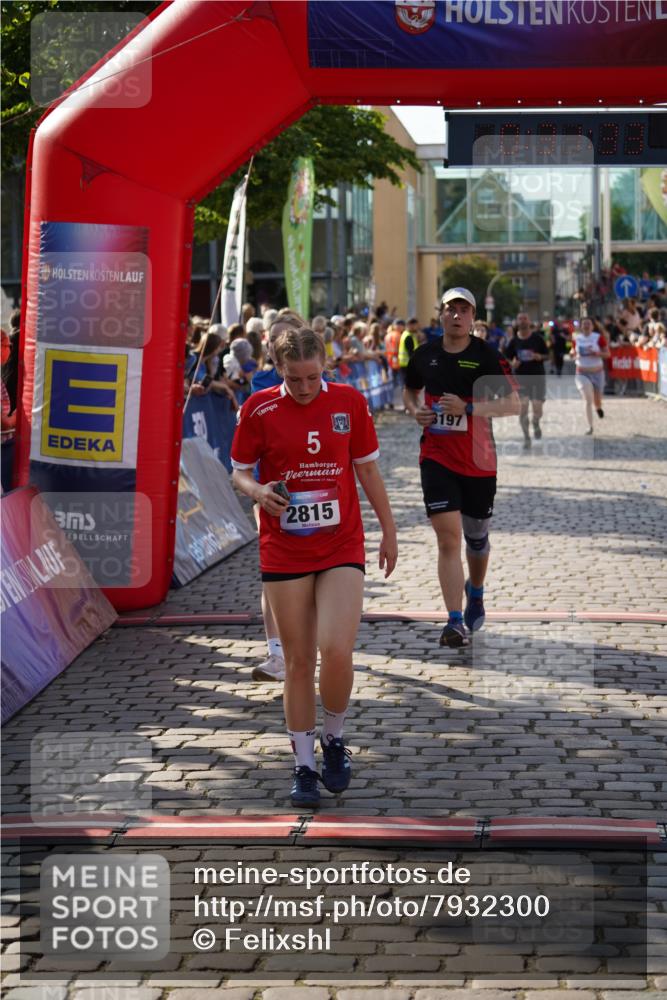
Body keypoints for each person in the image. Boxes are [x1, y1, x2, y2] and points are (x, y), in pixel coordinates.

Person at [231, 327, 397, 807]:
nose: (304, 387)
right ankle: (303, 766)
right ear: (278, 369)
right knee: (299, 661)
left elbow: (367, 469)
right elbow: (238, 471)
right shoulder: (259, 408)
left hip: (341, 541)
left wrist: (389, 530)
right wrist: (258, 491)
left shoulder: (349, 401)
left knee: (336, 648)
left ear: (325, 365)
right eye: (294, 378)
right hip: (284, 547)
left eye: (311, 377)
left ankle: (334, 738)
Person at [403, 287, 519, 648]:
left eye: (463, 310)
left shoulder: (487, 356)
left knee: (476, 540)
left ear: (472, 318)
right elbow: (410, 392)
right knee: (448, 539)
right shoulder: (424, 355)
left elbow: (513, 404)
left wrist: (467, 409)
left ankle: (477, 590)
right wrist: (416, 411)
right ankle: (454, 621)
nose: (456, 315)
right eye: (450, 309)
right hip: (436, 457)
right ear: (440, 314)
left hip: (479, 461)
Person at [249, 311, 305, 682]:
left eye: (285, 338)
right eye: (273, 340)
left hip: (312, 488)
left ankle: (305, 640)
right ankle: (276, 654)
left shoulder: (316, 380)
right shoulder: (260, 381)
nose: (277, 345)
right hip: (269, 489)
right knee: (271, 571)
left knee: (308, 574)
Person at [503, 312, 549, 450]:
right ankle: (526, 438)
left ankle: (536, 423)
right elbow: (506, 358)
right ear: (517, 322)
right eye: (520, 319)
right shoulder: (513, 341)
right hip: (520, 379)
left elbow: (548, 355)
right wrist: (512, 363)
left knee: (537, 409)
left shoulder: (538, 339)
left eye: (525, 318)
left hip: (537, 378)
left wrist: (540, 356)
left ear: (529, 321)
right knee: (523, 409)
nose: (522, 321)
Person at [571, 317, 610, 435]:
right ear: (581, 326)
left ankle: (598, 408)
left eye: (589, 324)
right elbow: (573, 352)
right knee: (588, 399)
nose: (586, 326)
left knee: (597, 400)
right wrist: (573, 354)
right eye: (584, 324)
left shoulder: (598, 338)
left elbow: (607, 354)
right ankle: (590, 426)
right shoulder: (577, 338)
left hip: (597, 372)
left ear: (592, 326)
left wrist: (597, 353)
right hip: (582, 372)